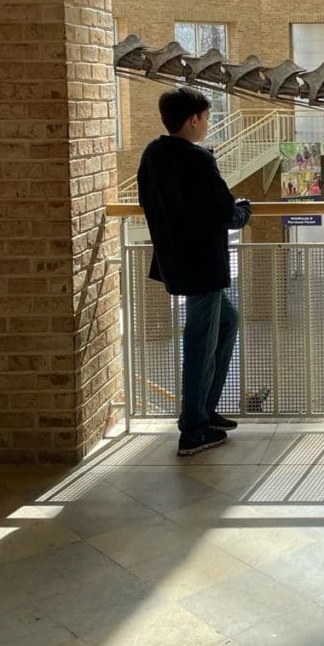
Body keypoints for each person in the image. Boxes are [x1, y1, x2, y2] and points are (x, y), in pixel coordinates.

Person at [138, 87, 252, 456]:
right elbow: (224, 211)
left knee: (227, 321)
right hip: (204, 265)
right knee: (199, 344)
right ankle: (194, 428)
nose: (207, 124)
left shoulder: (152, 154)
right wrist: (244, 211)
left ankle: (205, 410)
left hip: (177, 261)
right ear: (193, 120)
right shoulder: (199, 160)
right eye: (207, 118)